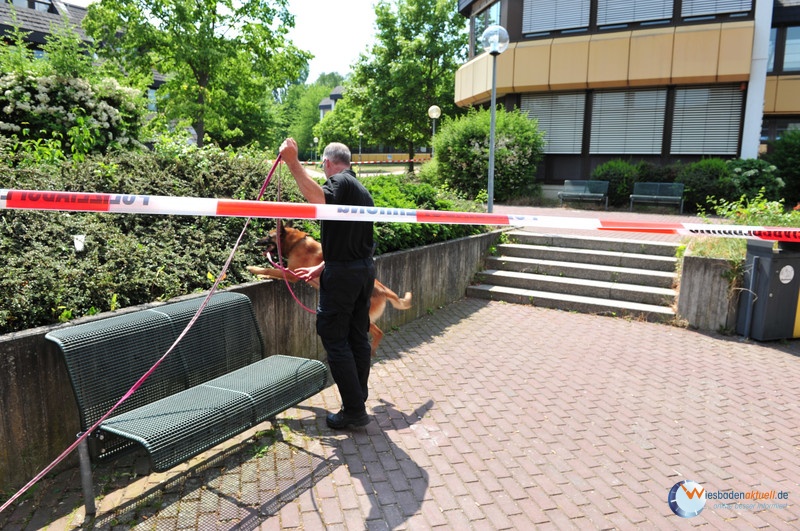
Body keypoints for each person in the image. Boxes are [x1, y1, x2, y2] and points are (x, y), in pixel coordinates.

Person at [278, 138, 375, 429]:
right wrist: (323, 265)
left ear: (328, 163)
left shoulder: (341, 183)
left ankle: (355, 410)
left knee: (334, 337)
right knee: (358, 336)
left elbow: (318, 199)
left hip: (345, 276)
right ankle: (357, 399)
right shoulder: (360, 190)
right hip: (361, 271)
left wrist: (293, 163)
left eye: (323, 166)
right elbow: (355, 241)